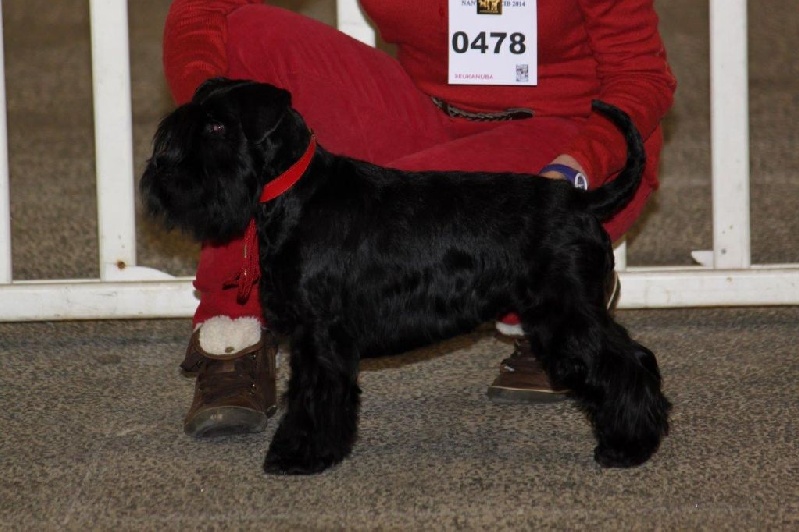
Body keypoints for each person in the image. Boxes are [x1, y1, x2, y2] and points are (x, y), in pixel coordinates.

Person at [162, 0, 676, 437]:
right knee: (246, 32)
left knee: (372, 217)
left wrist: (581, 164)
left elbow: (642, 75)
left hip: (562, 136)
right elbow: (202, 9)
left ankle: (556, 292)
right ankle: (235, 326)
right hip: (424, 113)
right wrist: (215, 123)